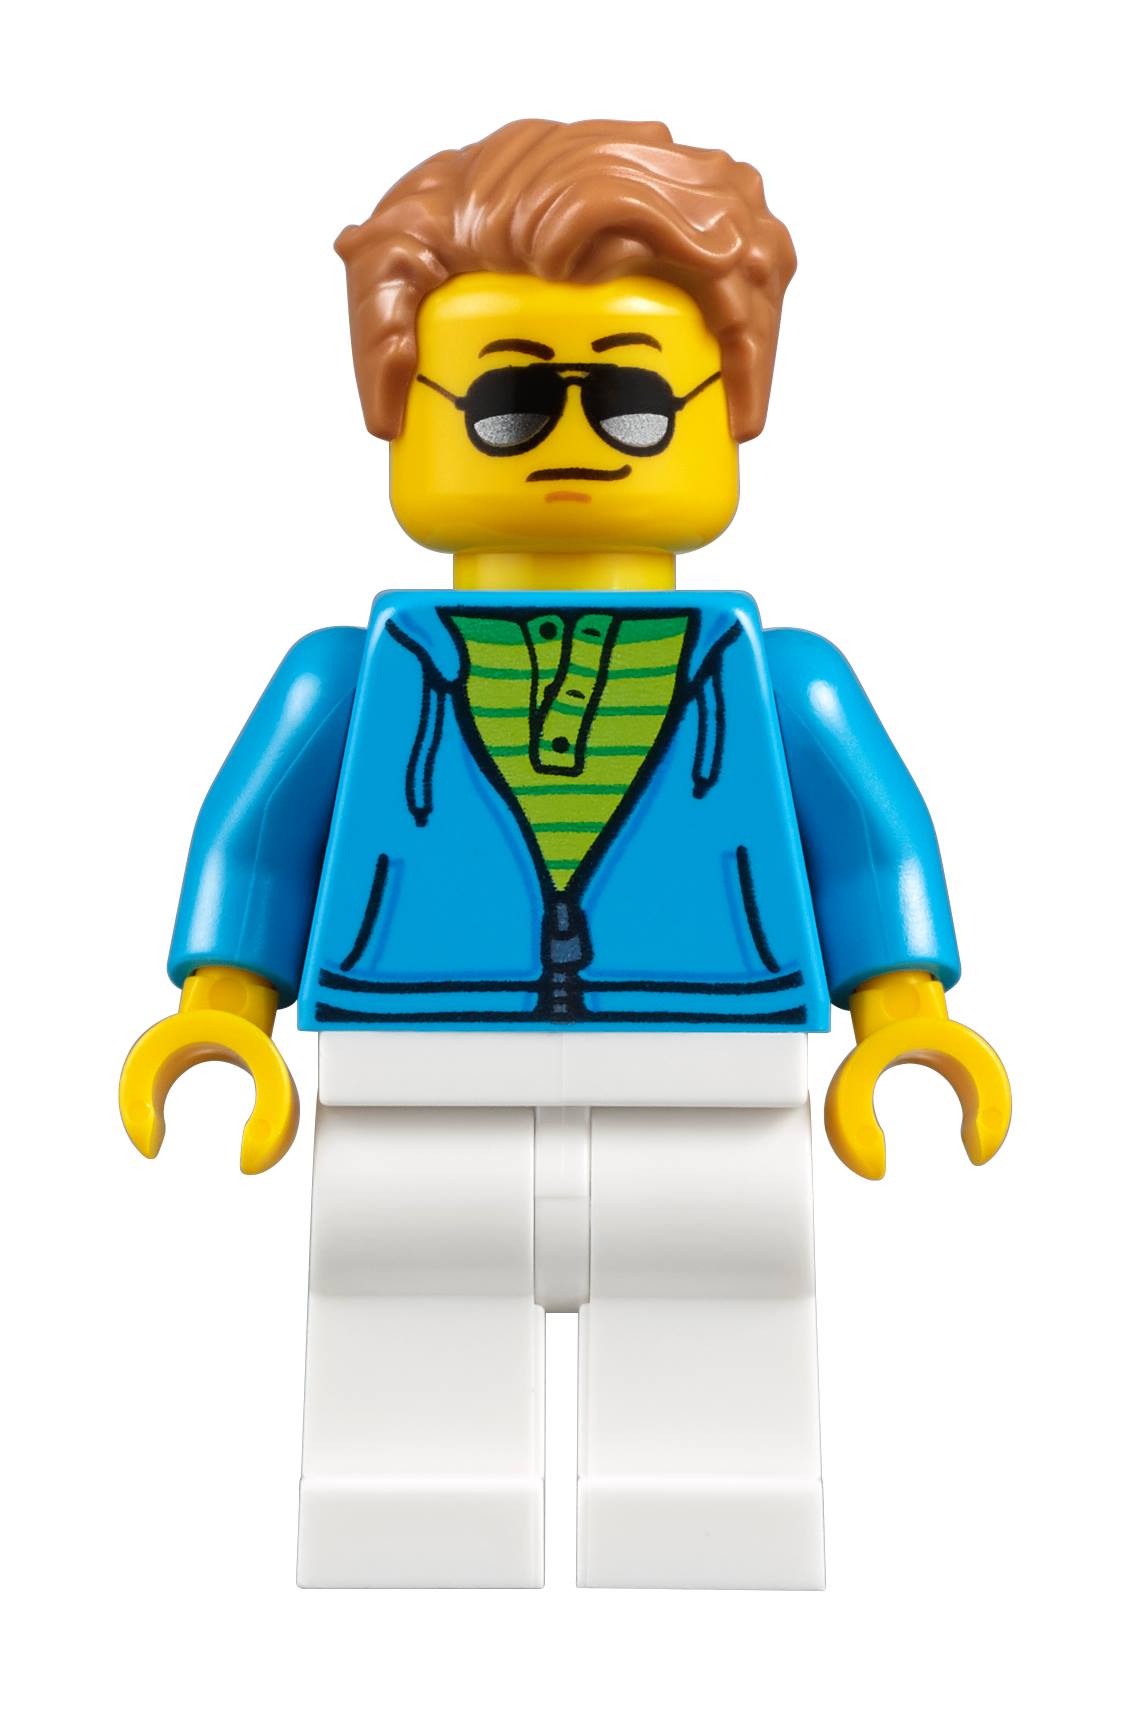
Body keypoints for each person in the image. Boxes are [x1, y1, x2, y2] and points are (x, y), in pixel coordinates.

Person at [120, 118, 1010, 1589]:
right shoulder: (351, 677)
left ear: (732, 406)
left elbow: (869, 846)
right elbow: (257, 839)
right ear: (400, 408)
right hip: (410, 1064)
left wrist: (904, 1016)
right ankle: (407, 1554)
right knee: (400, 1335)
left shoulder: (778, 681)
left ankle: (708, 1554)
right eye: (513, 404)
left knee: (721, 1337)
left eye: (636, 403)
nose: (579, 442)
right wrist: (222, 1008)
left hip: (714, 1064)